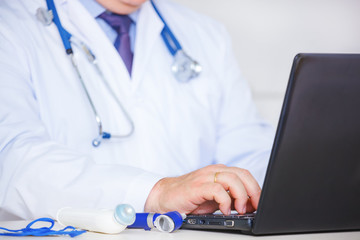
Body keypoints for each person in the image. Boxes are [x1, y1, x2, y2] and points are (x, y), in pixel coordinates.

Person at [0, 0, 274, 220]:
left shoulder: (205, 34)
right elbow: (12, 157)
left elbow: (248, 149)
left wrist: (291, 185)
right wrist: (156, 193)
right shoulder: (9, 25)